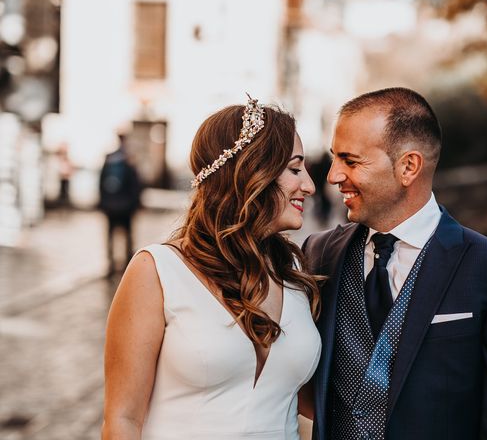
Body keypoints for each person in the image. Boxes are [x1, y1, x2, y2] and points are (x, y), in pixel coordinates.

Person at [303, 87, 487, 439]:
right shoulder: (319, 254)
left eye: (351, 161)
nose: (333, 176)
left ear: (408, 167)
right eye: (334, 158)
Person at [102, 97, 322, 439]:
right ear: (253, 173)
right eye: (295, 169)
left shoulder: (293, 271)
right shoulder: (157, 272)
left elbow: (305, 407)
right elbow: (123, 420)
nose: (309, 185)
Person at [98, 132, 142, 275]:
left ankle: (110, 263)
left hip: (111, 205)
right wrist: (136, 204)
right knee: (128, 235)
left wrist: (102, 202)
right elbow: (136, 184)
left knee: (111, 234)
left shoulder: (109, 158)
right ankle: (128, 264)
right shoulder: (129, 159)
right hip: (126, 206)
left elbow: (101, 182)